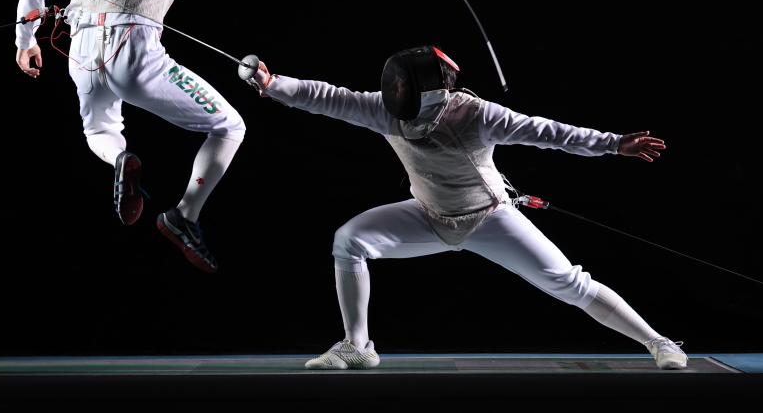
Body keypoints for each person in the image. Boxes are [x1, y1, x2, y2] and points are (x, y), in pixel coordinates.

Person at [244, 45, 687, 369]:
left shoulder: (476, 114)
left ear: (431, 89)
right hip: (427, 216)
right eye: (394, 84)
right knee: (349, 240)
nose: (394, 91)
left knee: (570, 283)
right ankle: (357, 346)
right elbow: (328, 97)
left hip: (489, 219)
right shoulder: (385, 111)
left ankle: (659, 343)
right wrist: (272, 84)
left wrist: (612, 143)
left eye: (403, 84)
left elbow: (548, 132)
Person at [14, 0, 363, 272]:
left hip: (80, 54)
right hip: (133, 53)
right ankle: (184, 216)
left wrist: (25, 41)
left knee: (98, 130)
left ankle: (120, 159)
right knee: (229, 127)